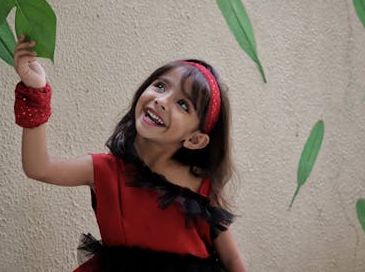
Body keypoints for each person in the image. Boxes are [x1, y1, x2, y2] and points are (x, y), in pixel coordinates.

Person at [13, 34, 247, 272]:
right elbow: (38, 167)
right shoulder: (104, 170)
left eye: (183, 104)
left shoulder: (202, 188)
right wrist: (35, 92)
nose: (162, 100)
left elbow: (232, 260)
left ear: (195, 140)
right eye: (160, 86)